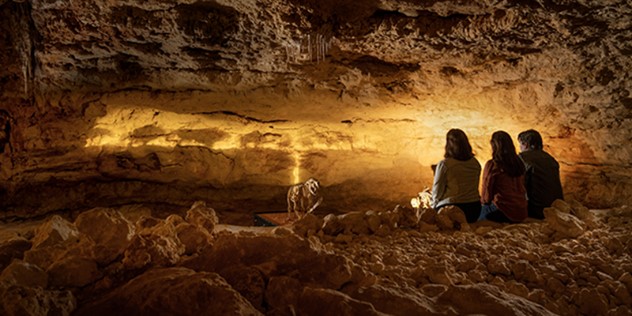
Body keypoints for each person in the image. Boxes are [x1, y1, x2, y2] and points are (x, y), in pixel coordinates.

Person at [431, 129, 481, 223]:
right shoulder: (475, 163)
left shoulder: (445, 164)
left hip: (453, 209)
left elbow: (437, 190)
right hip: (474, 210)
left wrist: (433, 208)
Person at [479, 131, 528, 223]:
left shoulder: (493, 165)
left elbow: (486, 198)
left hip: (503, 211)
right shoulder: (519, 163)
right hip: (521, 211)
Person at [517, 129, 564, 219]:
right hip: (556, 208)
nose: (520, 148)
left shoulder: (523, 158)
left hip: (537, 210)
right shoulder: (550, 159)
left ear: (525, 144)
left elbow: (519, 186)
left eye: (520, 144)